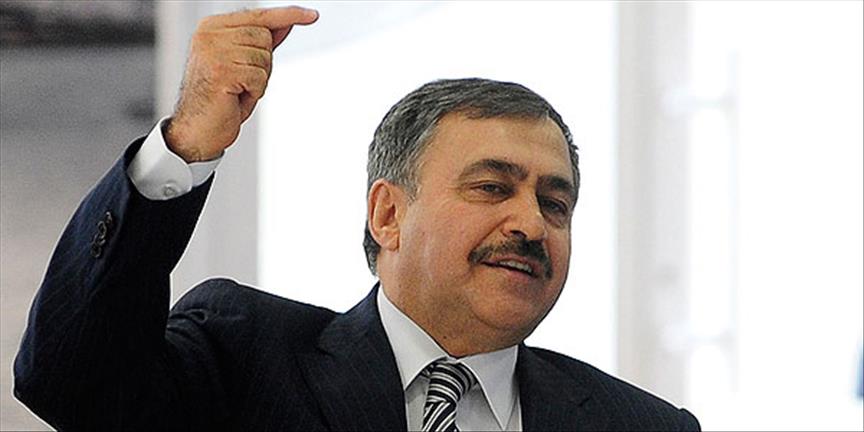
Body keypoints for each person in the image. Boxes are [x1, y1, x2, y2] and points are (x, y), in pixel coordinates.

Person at [13, 6, 700, 431]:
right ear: (388, 214)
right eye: (493, 187)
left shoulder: (642, 425)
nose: (531, 224)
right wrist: (186, 144)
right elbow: (70, 382)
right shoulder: (244, 359)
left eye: (555, 203)